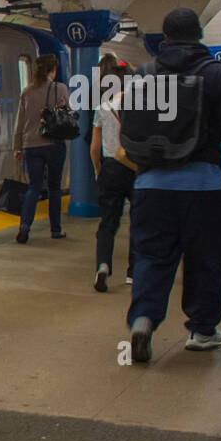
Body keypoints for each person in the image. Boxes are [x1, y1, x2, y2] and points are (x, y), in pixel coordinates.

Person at [125, 9, 221, 362]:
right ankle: (202, 330)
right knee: (204, 261)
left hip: (150, 186)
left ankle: (143, 319)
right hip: (203, 187)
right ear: (200, 34)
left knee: (152, 258)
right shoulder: (219, 77)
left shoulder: (144, 74)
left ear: (165, 38)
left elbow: (133, 129)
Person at [89, 54, 135, 292]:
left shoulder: (102, 107)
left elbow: (95, 146)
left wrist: (98, 170)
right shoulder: (141, 104)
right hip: (136, 168)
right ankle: (133, 273)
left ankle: (103, 265)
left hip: (111, 166)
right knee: (138, 221)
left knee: (108, 223)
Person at [12, 53, 68, 243]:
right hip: (54, 144)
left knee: (33, 188)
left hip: (30, 145)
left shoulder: (27, 91)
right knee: (54, 188)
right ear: (53, 70)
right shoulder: (60, 89)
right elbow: (67, 114)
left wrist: (17, 147)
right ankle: (56, 230)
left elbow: (19, 123)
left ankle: (24, 227)